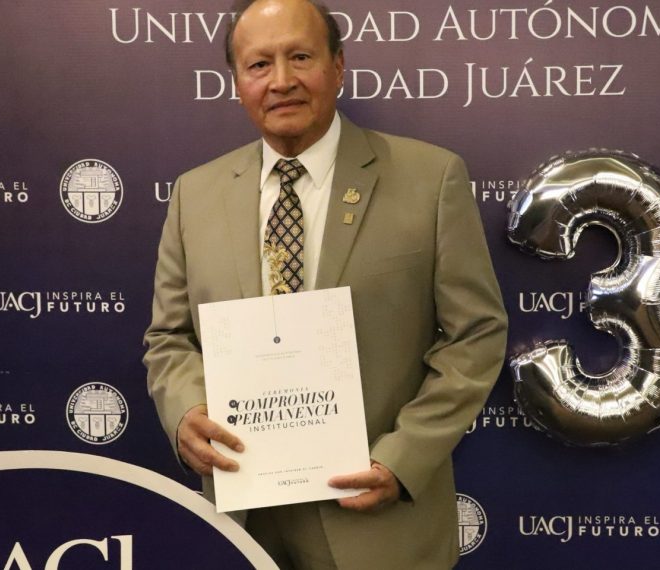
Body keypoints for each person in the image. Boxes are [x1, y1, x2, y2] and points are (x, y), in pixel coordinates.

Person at [142, 0, 507, 567]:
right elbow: (169, 339)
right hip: (243, 522)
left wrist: (403, 458)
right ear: (237, 82)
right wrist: (187, 412)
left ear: (338, 67)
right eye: (259, 64)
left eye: (300, 57)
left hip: (378, 523)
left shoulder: (431, 179)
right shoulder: (196, 194)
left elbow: (476, 335)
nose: (281, 81)